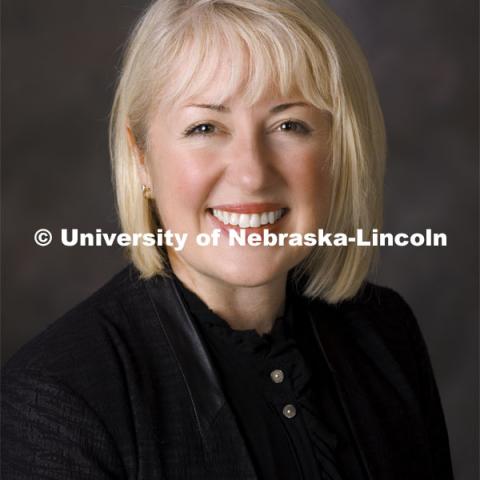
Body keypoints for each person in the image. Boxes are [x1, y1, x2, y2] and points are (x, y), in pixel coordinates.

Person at [1, 1, 454, 479]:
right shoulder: (55, 404)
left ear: (340, 149)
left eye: (289, 125)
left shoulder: (385, 333)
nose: (252, 174)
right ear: (141, 158)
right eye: (205, 127)